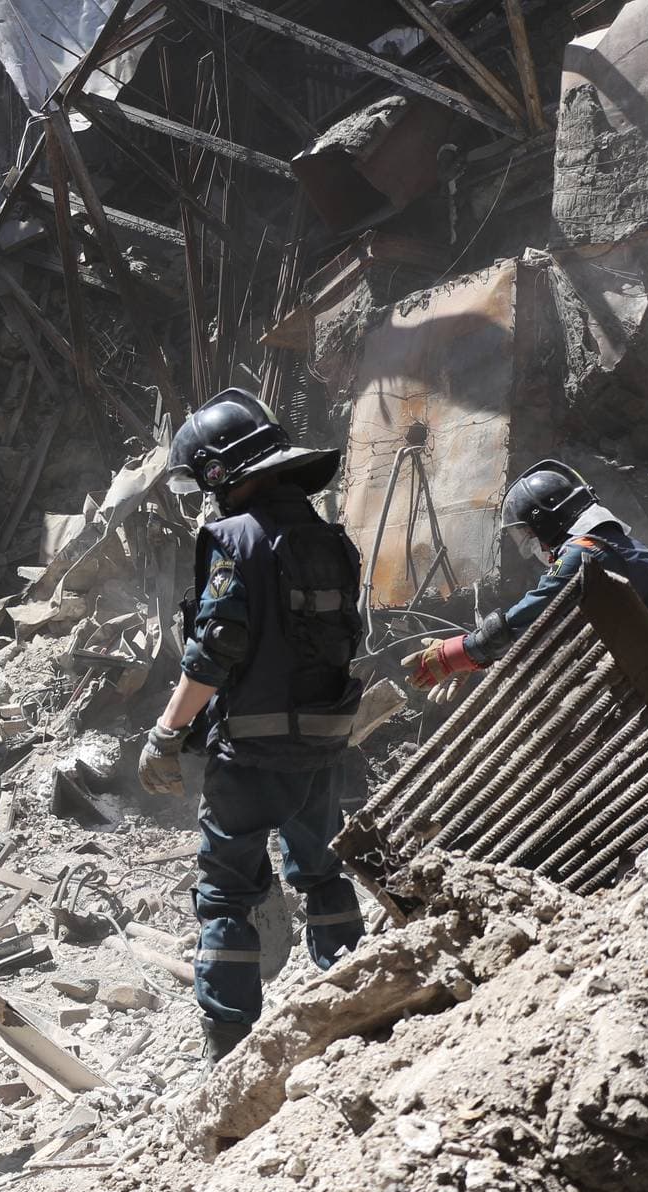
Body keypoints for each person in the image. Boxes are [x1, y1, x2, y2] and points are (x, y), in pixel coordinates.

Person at [137, 387, 367, 1062]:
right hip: (323, 744)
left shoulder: (234, 537)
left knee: (227, 895)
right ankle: (360, 1016)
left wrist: (166, 732)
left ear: (217, 471)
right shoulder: (329, 538)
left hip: (252, 753)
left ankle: (229, 1049)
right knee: (322, 874)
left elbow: (217, 647)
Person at [406, 459, 648, 729]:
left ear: (545, 521)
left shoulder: (586, 552)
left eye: (528, 536)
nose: (531, 547)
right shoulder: (600, 545)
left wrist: (464, 652)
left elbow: (537, 612)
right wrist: (482, 662)